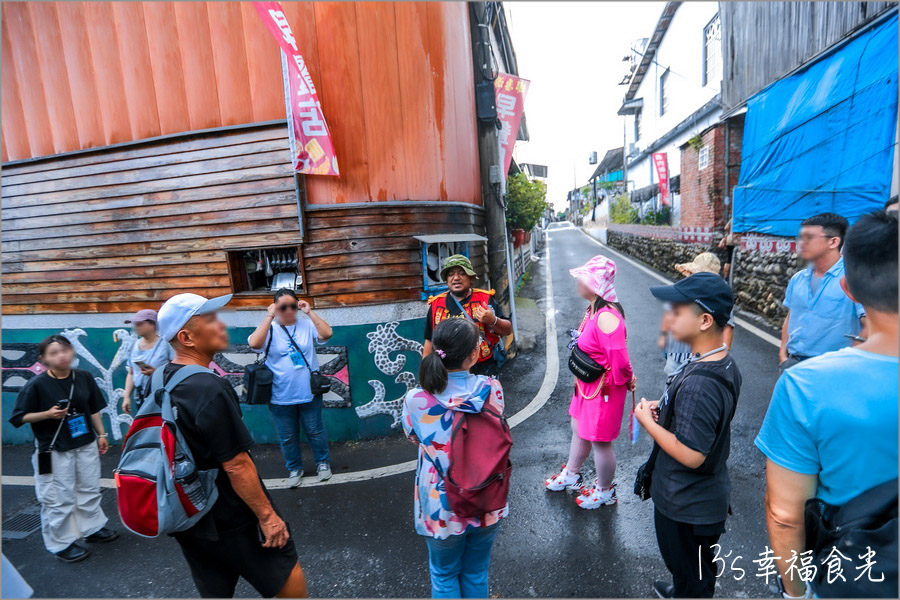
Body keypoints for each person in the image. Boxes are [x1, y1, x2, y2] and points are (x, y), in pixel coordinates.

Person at [755, 211, 898, 598]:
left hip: (851, 576)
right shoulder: (800, 281)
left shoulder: (806, 389)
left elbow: (784, 515)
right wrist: (785, 353)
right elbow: (790, 318)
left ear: (850, 289)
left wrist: (795, 592)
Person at [157, 292, 308, 598]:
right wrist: (268, 518)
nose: (221, 325)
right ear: (186, 337)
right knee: (286, 576)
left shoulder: (160, 378)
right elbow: (236, 464)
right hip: (230, 515)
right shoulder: (207, 386)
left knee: (214, 588)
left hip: (187, 511)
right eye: (211, 320)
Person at [635, 272, 742, 598]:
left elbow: (693, 454)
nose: (668, 319)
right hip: (696, 500)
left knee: (694, 573)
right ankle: (683, 586)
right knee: (690, 567)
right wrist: (665, 408)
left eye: (678, 311)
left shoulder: (701, 382)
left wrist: (648, 422)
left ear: (705, 320)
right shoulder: (717, 360)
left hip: (687, 505)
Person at [402, 318, 507, 598]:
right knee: (476, 572)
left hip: (441, 503)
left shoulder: (416, 398)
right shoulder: (491, 388)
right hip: (486, 495)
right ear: (474, 355)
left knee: (444, 574)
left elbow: (413, 436)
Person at [8, 335, 118, 563]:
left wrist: (102, 434)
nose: (62, 356)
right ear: (44, 358)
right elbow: (19, 417)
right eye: (55, 352)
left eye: (65, 350)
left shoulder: (84, 377)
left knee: (89, 488)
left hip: (84, 442)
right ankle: (61, 543)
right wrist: (47, 414)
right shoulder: (36, 385)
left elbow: (93, 408)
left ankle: (92, 528)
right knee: (57, 497)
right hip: (54, 447)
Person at [545, 255, 635, 508]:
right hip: (588, 386)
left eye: (583, 278)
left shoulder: (607, 316)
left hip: (604, 389)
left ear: (595, 284)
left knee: (600, 441)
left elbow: (620, 360)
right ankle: (572, 473)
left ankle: (605, 490)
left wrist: (627, 379)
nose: (578, 282)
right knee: (579, 428)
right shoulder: (593, 309)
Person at [247, 289, 334, 488]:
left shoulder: (306, 324)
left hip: (309, 393)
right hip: (279, 395)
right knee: (287, 436)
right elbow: (254, 344)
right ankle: (294, 467)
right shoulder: (269, 328)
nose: (288, 311)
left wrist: (309, 312)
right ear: (275, 308)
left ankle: (322, 463)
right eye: (282, 307)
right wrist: (269, 316)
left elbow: (327, 333)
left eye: (292, 306)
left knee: (315, 431)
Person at [779, 213, 866, 370]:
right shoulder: (798, 278)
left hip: (835, 368)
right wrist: (783, 354)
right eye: (800, 237)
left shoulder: (853, 279)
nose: (801, 243)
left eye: (809, 237)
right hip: (793, 363)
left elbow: (870, 325)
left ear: (833, 241)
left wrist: (850, 362)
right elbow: (791, 316)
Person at [424, 255, 513, 376]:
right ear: (446, 279)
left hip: (483, 370)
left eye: (462, 273)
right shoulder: (436, 304)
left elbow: (507, 330)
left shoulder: (485, 299)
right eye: (450, 274)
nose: (456, 278)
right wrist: (426, 372)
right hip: (448, 373)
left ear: (471, 278)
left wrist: (493, 320)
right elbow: (429, 340)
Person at [658, 253, 735, 382]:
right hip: (676, 356)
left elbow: (728, 330)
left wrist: (714, 363)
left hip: (696, 363)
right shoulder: (686, 289)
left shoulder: (718, 298)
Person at [122, 309, 175, 414]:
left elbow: (176, 371)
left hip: (161, 396)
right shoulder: (134, 345)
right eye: (135, 324)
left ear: (153, 324)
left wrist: (156, 373)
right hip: (140, 397)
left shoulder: (166, 345)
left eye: (140, 323)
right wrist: (127, 396)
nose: (136, 326)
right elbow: (132, 373)